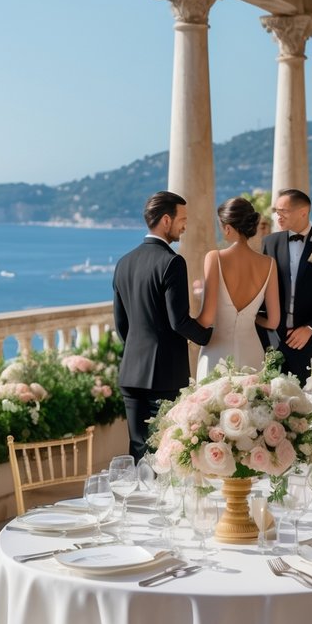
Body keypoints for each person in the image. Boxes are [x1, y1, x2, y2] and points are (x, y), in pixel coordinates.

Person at [113, 191, 212, 462]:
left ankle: (138, 502)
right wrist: (207, 336)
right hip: (165, 375)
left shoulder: (124, 263)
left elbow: (122, 325)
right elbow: (178, 321)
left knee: (138, 450)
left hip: (132, 373)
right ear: (166, 220)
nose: (185, 226)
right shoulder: (172, 262)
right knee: (167, 451)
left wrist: (138, 350)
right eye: (182, 219)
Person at [261, 188, 312, 383]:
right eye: (276, 211)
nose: (277, 216)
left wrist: (311, 328)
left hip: (308, 339)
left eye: (283, 211)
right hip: (272, 339)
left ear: (303, 212)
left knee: (308, 400)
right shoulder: (269, 242)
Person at [196, 197, 280, 377]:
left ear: (227, 227)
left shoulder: (214, 258)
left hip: (217, 354)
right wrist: (251, 317)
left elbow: (206, 318)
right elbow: (273, 322)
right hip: (253, 354)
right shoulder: (269, 264)